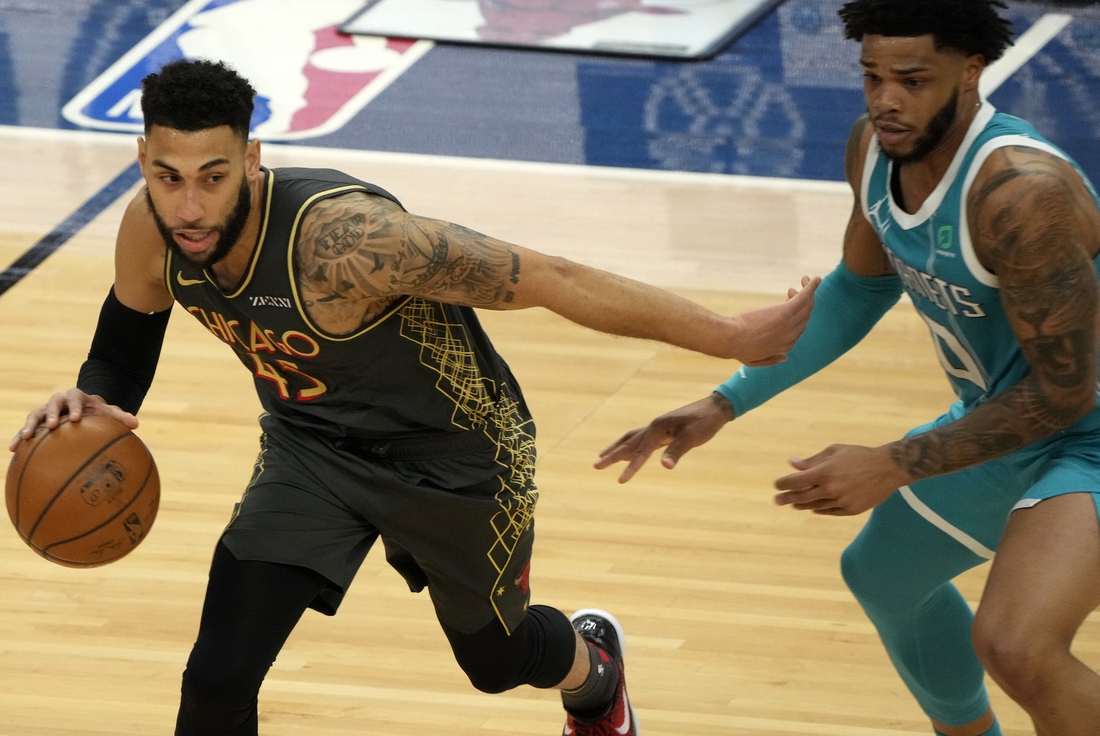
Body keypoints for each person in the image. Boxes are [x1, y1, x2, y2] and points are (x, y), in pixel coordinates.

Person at [9, 59, 818, 736]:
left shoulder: (350, 245)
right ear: (142, 157)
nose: (189, 206)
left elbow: (551, 279)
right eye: (167, 176)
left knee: (494, 664)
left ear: (253, 160)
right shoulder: (150, 228)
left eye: (213, 178)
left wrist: (731, 337)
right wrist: (93, 399)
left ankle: (595, 669)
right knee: (217, 677)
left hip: (456, 455)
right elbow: (128, 329)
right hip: (312, 450)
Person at [596, 2, 1100, 735]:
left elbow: (1063, 391)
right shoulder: (874, 149)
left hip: (1084, 431)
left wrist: (894, 462)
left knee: (1016, 645)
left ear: (970, 70)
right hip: (1009, 419)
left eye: (912, 79)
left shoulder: (1022, 195)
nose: (886, 100)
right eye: (871, 76)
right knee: (886, 576)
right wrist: (726, 400)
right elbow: (858, 290)